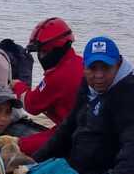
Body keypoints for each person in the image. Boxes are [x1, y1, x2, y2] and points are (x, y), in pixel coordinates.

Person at [33, 36, 134, 174]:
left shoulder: (132, 94)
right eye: (93, 68)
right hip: (80, 169)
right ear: (84, 67)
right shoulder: (87, 87)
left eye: (105, 68)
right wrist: (37, 159)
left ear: (118, 65)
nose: (98, 75)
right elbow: (68, 127)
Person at [11, 17, 83, 157]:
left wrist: (17, 86)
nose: (41, 56)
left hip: (74, 135)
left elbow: (31, 105)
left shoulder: (57, 76)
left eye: (43, 52)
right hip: (77, 126)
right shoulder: (80, 62)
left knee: (20, 146)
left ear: (57, 49)